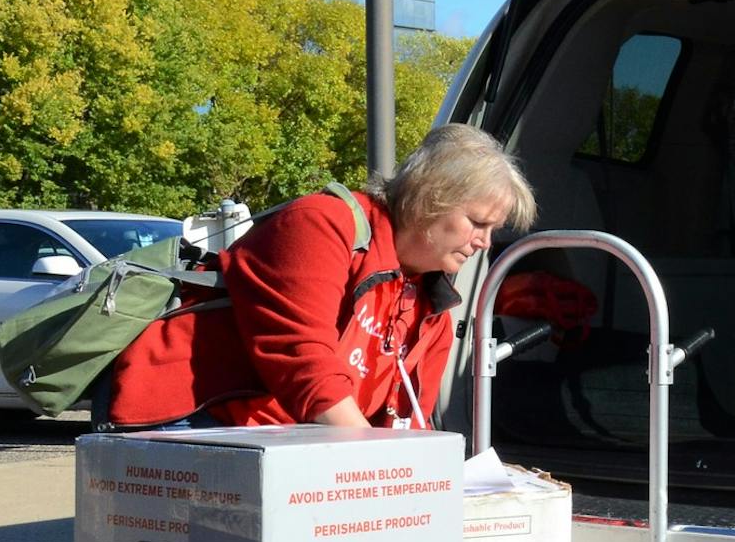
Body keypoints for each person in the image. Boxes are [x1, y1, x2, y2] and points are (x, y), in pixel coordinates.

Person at [103, 124, 537, 430]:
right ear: (430, 197)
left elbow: (409, 424)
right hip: (197, 421)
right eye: (478, 222)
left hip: (300, 440)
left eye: (493, 230)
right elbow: (302, 359)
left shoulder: (433, 309)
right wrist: (375, 465)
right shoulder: (323, 223)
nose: (484, 242)